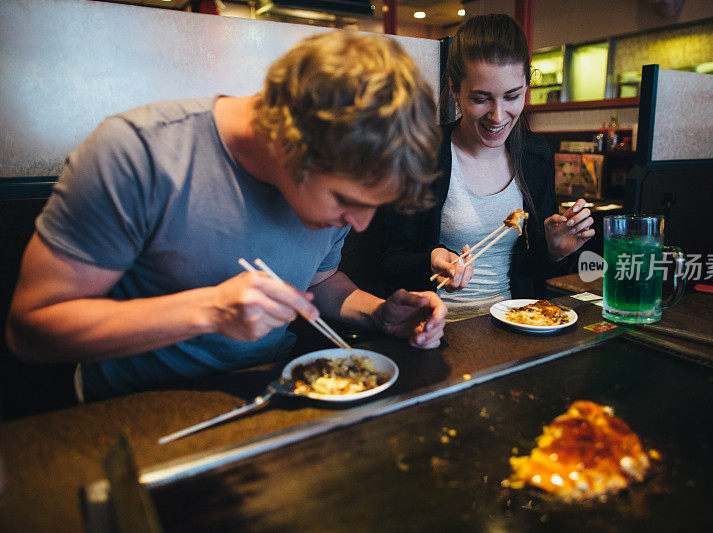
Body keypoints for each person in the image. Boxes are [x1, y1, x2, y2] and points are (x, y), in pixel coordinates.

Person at [5, 31, 446, 400]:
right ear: (289, 144)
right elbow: (31, 331)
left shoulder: (338, 184)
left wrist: (377, 315)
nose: (361, 222)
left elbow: (318, 280)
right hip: (136, 409)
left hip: (274, 392)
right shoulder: (137, 154)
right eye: (346, 200)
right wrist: (209, 310)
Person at [378, 14, 594, 321]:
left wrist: (555, 251)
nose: (497, 116)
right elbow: (389, 261)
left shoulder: (535, 156)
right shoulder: (422, 154)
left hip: (518, 323)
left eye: (512, 96)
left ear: (526, 88)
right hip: (435, 327)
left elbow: (534, 271)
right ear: (455, 90)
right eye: (481, 99)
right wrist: (431, 259)